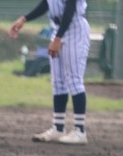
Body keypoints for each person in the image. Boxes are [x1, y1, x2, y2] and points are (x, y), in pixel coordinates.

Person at [9, 0, 90, 145]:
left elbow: (70, 8)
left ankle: (80, 131)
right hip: (58, 30)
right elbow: (47, 3)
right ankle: (58, 128)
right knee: (58, 82)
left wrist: (58, 39)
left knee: (74, 80)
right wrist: (25, 18)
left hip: (74, 30)